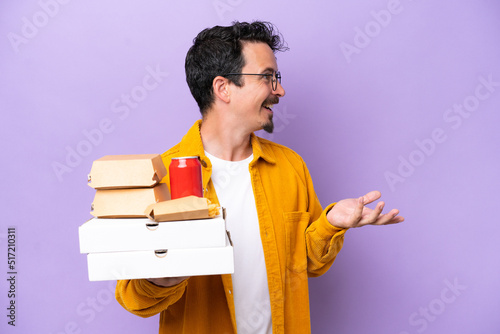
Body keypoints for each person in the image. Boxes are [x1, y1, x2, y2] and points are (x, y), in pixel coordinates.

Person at [115, 21, 404, 334]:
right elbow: (133, 299)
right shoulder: (162, 177)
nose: (279, 90)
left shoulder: (289, 166)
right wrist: (164, 275)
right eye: (268, 77)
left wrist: (331, 224)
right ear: (223, 88)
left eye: (276, 78)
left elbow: (306, 264)